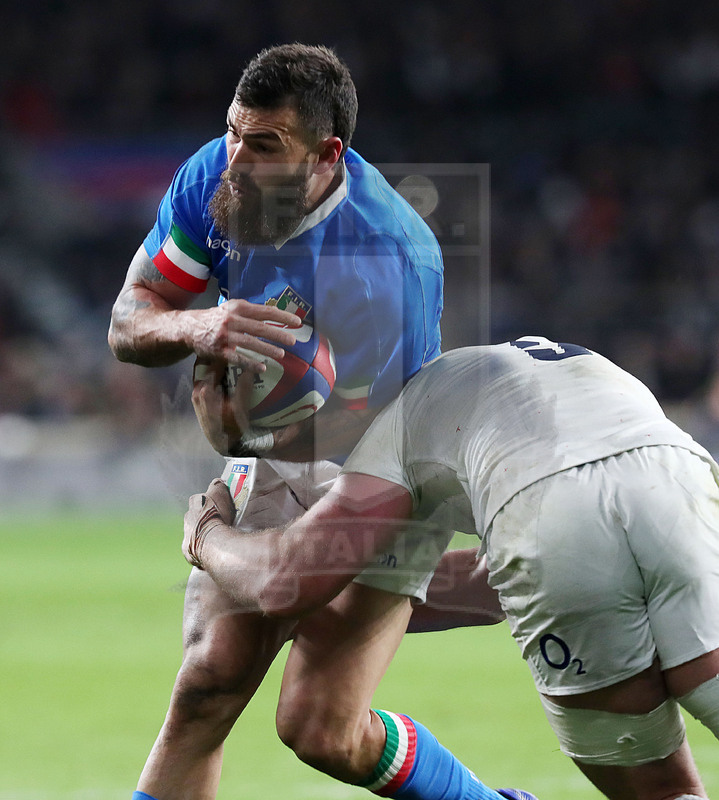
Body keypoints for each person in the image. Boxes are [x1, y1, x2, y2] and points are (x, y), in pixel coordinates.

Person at [109, 43, 530, 800]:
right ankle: (499, 583)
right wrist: (196, 329)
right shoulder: (215, 175)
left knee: (319, 728)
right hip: (278, 446)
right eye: (234, 132)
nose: (236, 159)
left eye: (263, 145)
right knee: (207, 683)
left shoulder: (387, 262)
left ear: (326, 154)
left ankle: (499, 585)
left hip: (381, 459)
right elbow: (129, 322)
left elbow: (352, 458)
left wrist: (221, 491)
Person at [184, 336, 719, 800]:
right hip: (680, 477)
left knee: (664, 792)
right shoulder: (488, 373)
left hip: (548, 516)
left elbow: (284, 584)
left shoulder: (392, 432)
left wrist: (207, 535)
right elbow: (490, 584)